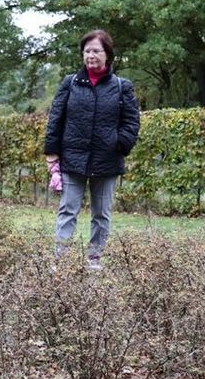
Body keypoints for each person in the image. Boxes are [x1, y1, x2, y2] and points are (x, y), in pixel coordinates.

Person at [44, 29, 141, 270]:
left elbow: (131, 121)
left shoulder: (122, 87)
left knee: (102, 214)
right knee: (68, 210)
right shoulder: (70, 83)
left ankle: (94, 259)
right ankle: (60, 259)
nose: (91, 55)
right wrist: (52, 152)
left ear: (107, 54)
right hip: (72, 159)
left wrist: (120, 144)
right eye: (87, 51)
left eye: (96, 51)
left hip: (107, 161)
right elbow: (56, 117)